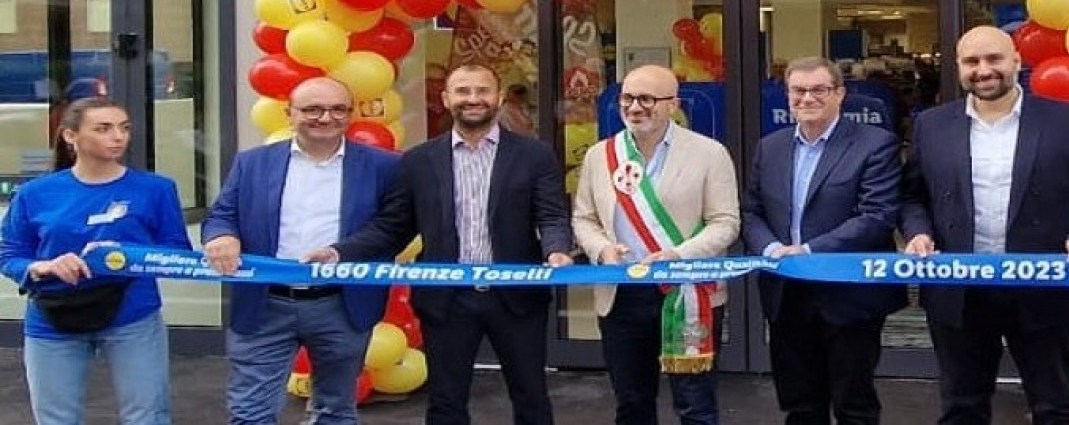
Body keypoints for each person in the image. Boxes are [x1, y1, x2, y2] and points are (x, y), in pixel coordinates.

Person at [311, 62, 574, 425]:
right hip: (447, 301)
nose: (473, 99)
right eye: (463, 91)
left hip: (516, 297)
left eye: (482, 91)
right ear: (447, 98)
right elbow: (392, 228)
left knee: (531, 397)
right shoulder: (419, 160)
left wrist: (556, 250)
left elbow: (552, 215)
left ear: (498, 97)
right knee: (446, 402)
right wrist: (339, 252)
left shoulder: (534, 155)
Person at [901, 25, 1069, 425]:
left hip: (1044, 287)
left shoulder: (1067, 120)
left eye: (994, 59)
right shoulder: (932, 125)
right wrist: (919, 231)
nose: (983, 70)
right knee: (961, 409)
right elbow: (911, 196)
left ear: (1016, 61)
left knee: (1056, 408)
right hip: (959, 291)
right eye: (972, 61)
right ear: (958, 66)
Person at [201, 77, 401, 425]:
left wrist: (340, 252)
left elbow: (393, 227)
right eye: (313, 109)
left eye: (338, 109)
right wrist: (222, 236)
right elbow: (222, 214)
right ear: (289, 113)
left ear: (351, 114)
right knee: (250, 413)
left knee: (335, 411)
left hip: (343, 304)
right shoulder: (253, 162)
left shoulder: (384, 166)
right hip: (265, 303)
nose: (326, 118)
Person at [0, 97, 191, 425]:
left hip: (133, 314)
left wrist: (127, 255)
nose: (118, 137)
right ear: (70, 136)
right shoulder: (36, 193)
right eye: (103, 129)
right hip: (53, 315)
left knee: (146, 415)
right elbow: (9, 253)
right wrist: (41, 267)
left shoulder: (155, 189)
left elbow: (176, 252)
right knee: (56, 418)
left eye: (124, 128)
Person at [742, 56, 906, 425]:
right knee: (800, 405)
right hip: (788, 292)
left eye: (819, 90)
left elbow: (877, 216)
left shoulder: (875, 144)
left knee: (854, 406)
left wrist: (807, 251)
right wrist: (772, 250)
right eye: (798, 90)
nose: (807, 98)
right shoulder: (770, 147)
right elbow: (751, 212)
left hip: (849, 294)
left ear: (840, 94)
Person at [573, 64, 740, 425]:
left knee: (695, 404)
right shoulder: (600, 155)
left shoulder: (709, 153)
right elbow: (583, 218)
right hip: (621, 292)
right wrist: (601, 249)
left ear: (673, 104)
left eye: (647, 99)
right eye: (628, 99)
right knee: (632, 402)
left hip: (687, 291)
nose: (635, 108)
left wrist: (678, 255)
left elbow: (725, 222)